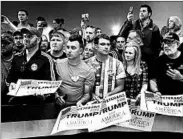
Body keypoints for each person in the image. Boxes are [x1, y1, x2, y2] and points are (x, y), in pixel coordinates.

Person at [6, 27, 55, 105]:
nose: (25, 39)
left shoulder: (46, 59)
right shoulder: (17, 57)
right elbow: (9, 79)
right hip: (18, 102)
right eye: (24, 36)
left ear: (38, 40)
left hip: (38, 103)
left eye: (30, 36)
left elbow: (52, 83)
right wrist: (11, 84)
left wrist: (43, 94)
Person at [119, 5, 161, 79]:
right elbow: (121, 36)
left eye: (144, 11)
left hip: (147, 60)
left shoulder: (154, 28)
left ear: (149, 14)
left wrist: (144, 51)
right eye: (140, 11)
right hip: (132, 59)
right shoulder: (133, 24)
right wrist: (128, 22)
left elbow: (156, 47)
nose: (141, 13)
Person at [55, 35, 95, 107]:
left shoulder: (88, 70)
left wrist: (81, 102)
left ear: (81, 51)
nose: (69, 51)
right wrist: (56, 96)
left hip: (76, 105)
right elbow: (52, 85)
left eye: (73, 48)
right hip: (58, 104)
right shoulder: (57, 64)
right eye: (68, 47)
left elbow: (87, 94)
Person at [85, 34, 126, 101]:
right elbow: (82, 84)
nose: (106, 47)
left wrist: (110, 94)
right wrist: (91, 95)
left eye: (108, 44)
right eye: (103, 44)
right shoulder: (87, 63)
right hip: (90, 103)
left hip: (110, 102)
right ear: (96, 46)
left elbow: (120, 86)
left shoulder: (117, 64)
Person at [1, 33, 14, 104]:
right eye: (1, 43)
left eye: (6, 43)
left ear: (13, 44)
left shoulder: (19, 60)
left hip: (15, 100)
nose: (2, 45)